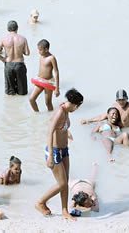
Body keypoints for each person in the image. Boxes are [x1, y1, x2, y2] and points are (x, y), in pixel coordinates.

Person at [35, 88, 84, 220]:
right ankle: (40, 202)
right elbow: (50, 132)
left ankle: (64, 211)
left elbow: (58, 127)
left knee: (65, 182)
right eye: (78, 106)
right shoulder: (61, 112)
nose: (77, 109)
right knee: (61, 184)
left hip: (64, 150)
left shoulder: (66, 110)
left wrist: (66, 132)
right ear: (74, 104)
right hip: (55, 151)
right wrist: (50, 155)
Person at [0, 20, 30, 96]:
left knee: (10, 93)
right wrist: (20, 49)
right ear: (17, 28)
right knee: (22, 92)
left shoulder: (4, 39)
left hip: (8, 64)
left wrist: (2, 59)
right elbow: (27, 53)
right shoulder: (23, 39)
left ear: (8, 29)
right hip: (20, 64)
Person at [29, 39, 60, 112]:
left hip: (48, 82)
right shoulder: (41, 56)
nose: (39, 52)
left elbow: (56, 72)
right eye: (38, 50)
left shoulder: (52, 58)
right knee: (31, 99)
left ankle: (51, 118)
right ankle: (37, 115)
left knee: (48, 102)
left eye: (40, 50)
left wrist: (57, 88)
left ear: (46, 49)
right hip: (40, 80)